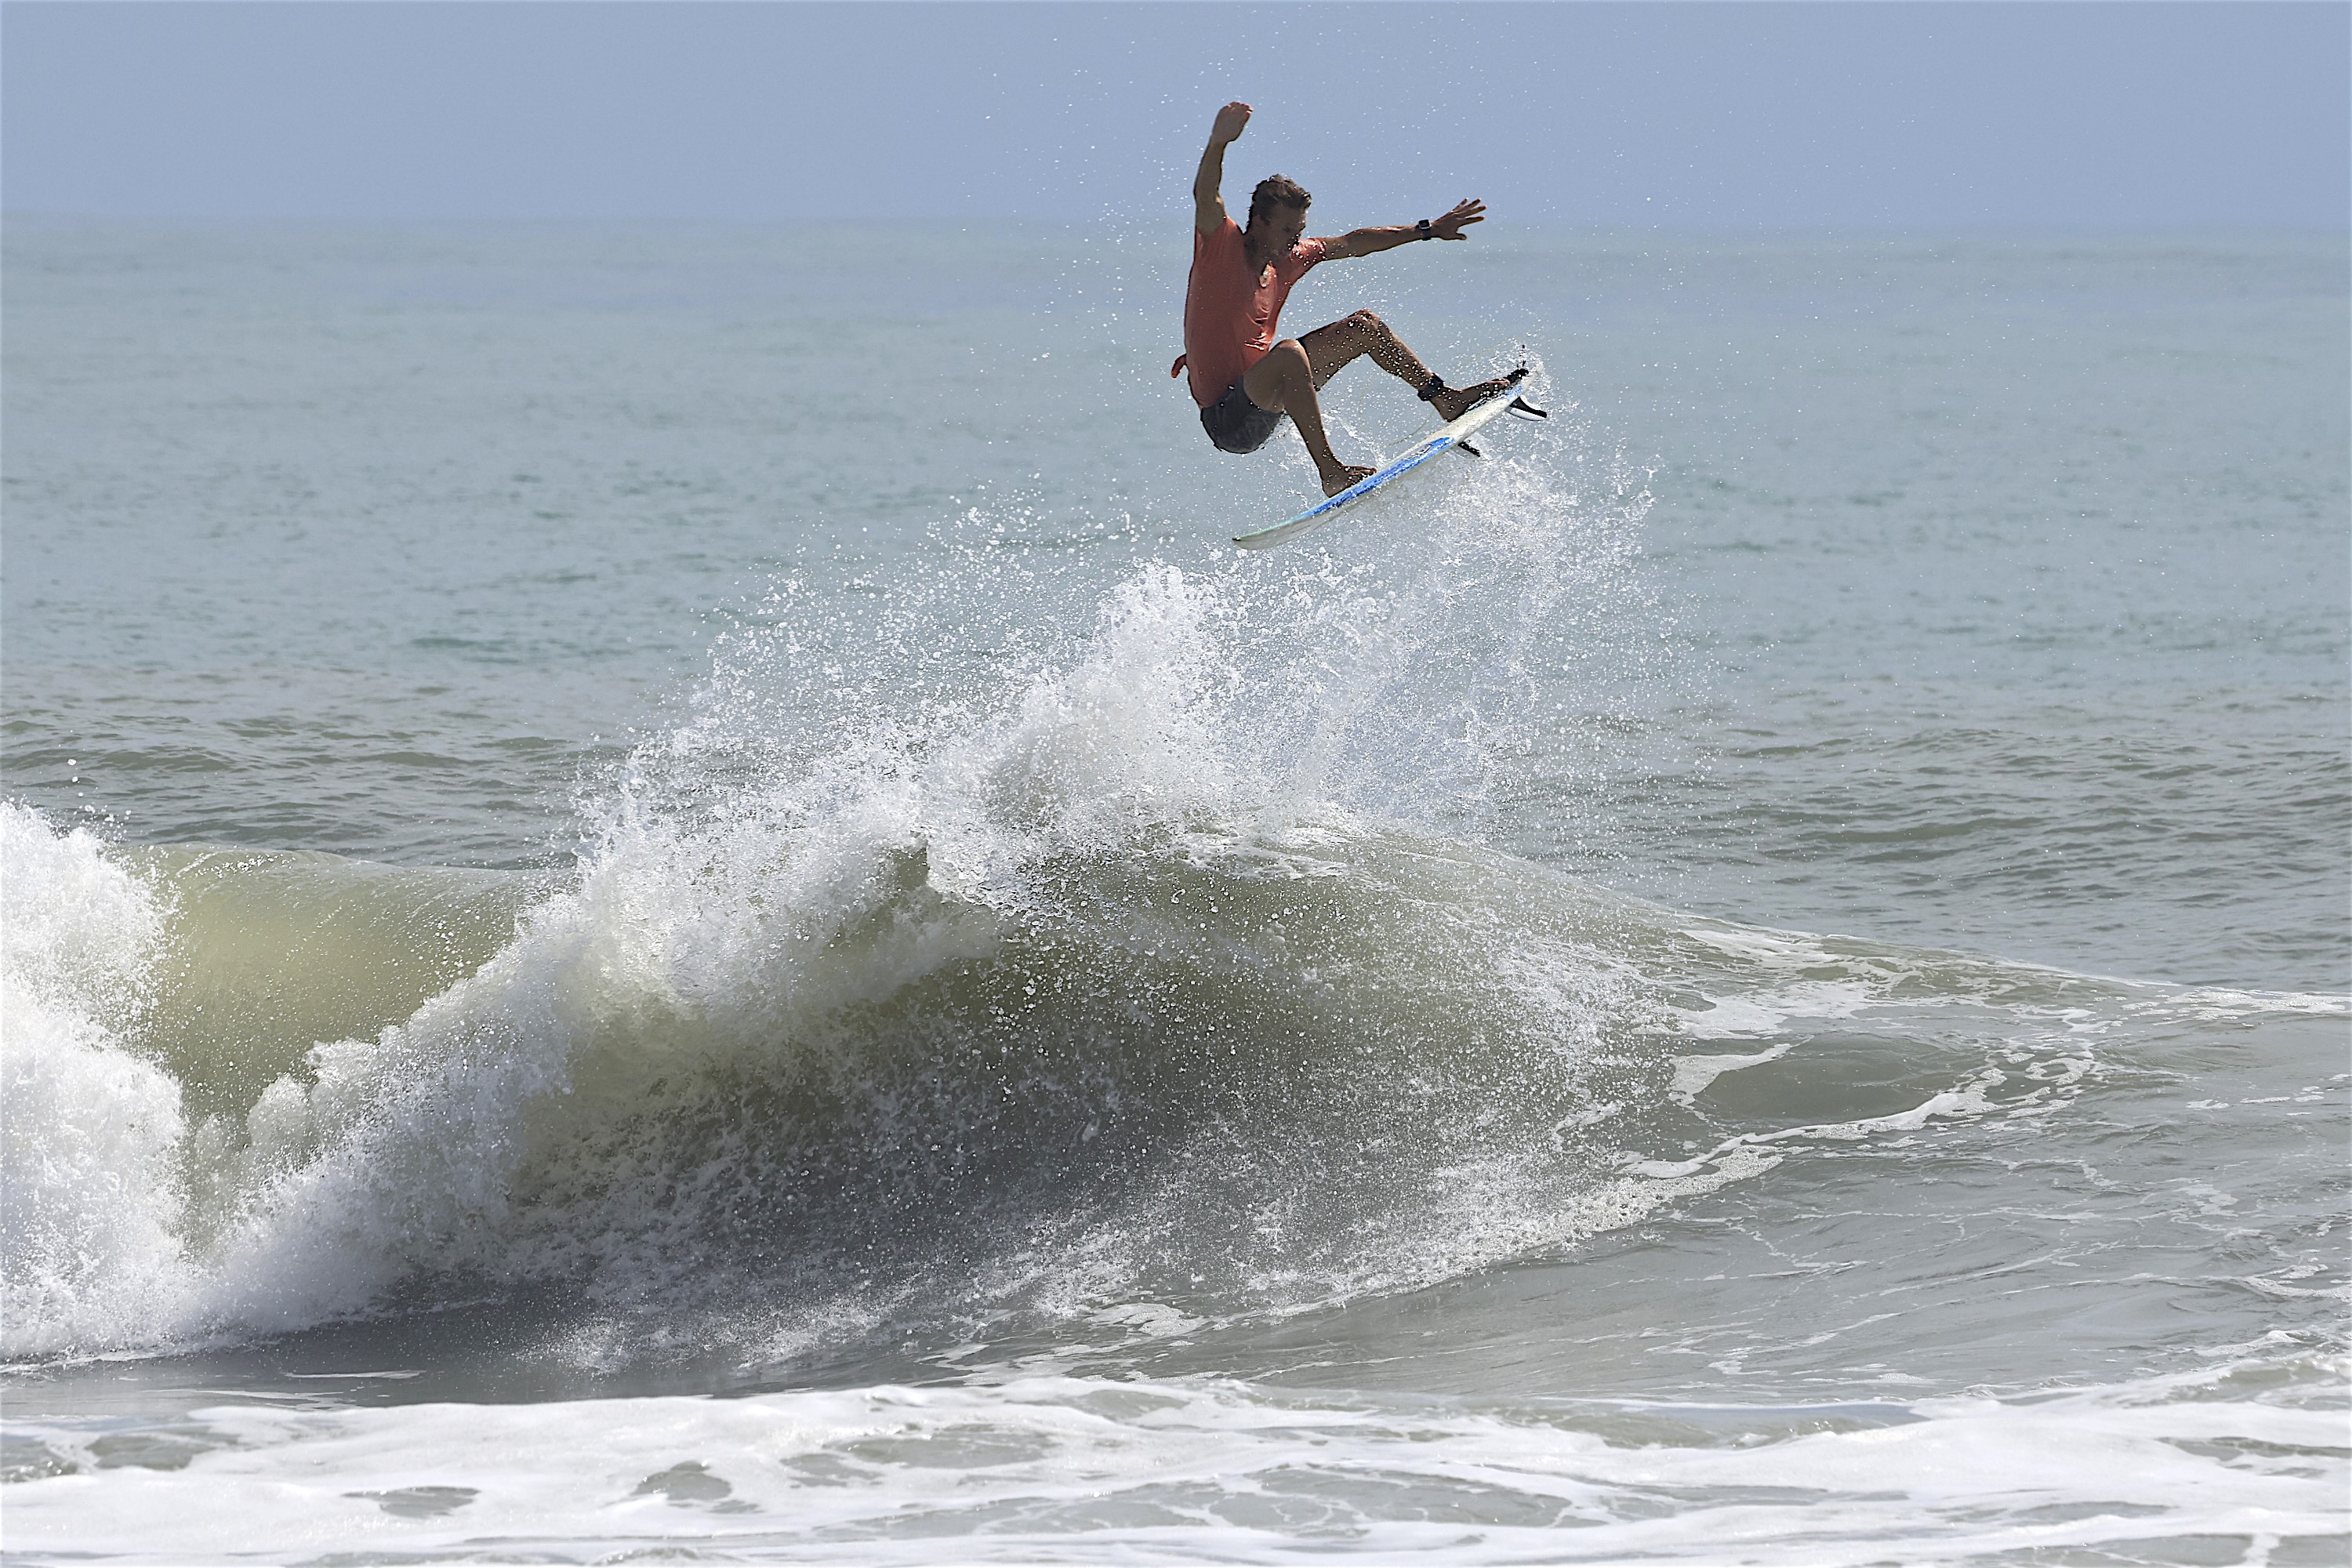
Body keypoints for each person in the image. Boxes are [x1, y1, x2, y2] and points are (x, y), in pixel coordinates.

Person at [1174, 100, 1515, 498]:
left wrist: (1427, 230)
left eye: (1299, 229)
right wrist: (1219, 142)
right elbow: (1206, 193)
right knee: (1287, 353)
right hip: (1227, 421)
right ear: (1259, 222)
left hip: (1267, 398)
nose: (1295, 239)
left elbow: (1354, 242)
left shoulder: (1291, 258)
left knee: (1363, 327)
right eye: (1286, 229)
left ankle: (1445, 399)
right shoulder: (1221, 246)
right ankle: (1331, 472)